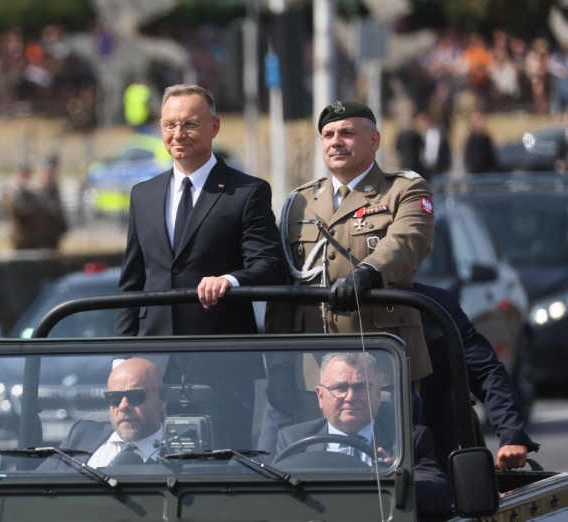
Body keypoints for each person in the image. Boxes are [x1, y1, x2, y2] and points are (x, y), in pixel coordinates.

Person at [114, 83, 283, 447]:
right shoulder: (143, 195)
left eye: (190, 124)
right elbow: (132, 282)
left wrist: (230, 280)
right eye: (170, 125)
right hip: (153, 367)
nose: (178, 134)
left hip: (222, 362)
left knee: (226, 468)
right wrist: (121, 360)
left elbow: (269, 264)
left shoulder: (246, 192)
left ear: (214, 127)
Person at [264, 100, 435, 423]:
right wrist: (279, 366)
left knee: (386, 464)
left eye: (347, 133)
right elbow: (283, 289)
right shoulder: (300, 202)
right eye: (328, 135)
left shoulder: (403, 189)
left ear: (374, 141)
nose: (336, 142)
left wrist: (368, 273)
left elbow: (407, 241)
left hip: (381, 360)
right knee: (309, 465)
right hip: (313, 369)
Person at [274, 352, 453, 520]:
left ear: (377, 393)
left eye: (361, 387)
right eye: (340, 387)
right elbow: (274, 499)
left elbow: (439, 493)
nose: (350, 397)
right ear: (320, 396)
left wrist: (398, 483)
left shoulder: (408, 439)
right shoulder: (293, 441)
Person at [413, 282, 539, 471]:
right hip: (357, 463)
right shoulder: (352, 309)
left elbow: (485, 371)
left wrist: (511, 434)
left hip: (429, 464)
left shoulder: (435, 305)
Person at [39, 357, 167, 469]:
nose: (123, 406)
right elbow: (39, 487)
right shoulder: (81, 435)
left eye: (136, 396)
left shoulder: (178, 453)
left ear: (162, 399)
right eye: (114, 398)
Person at [0, 163, 42, 250]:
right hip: (17, 236)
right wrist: (18, 194)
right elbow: (10, 208)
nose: (23, 178)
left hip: (33, 236)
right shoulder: (11, 191)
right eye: (21, 175)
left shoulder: (33, 192)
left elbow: (36, 209)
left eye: (26, 175)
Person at [35, 153, 69, 250]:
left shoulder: (53, 188)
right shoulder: (38, 189)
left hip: (52, 231)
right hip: (40, 232)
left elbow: (56, 209)